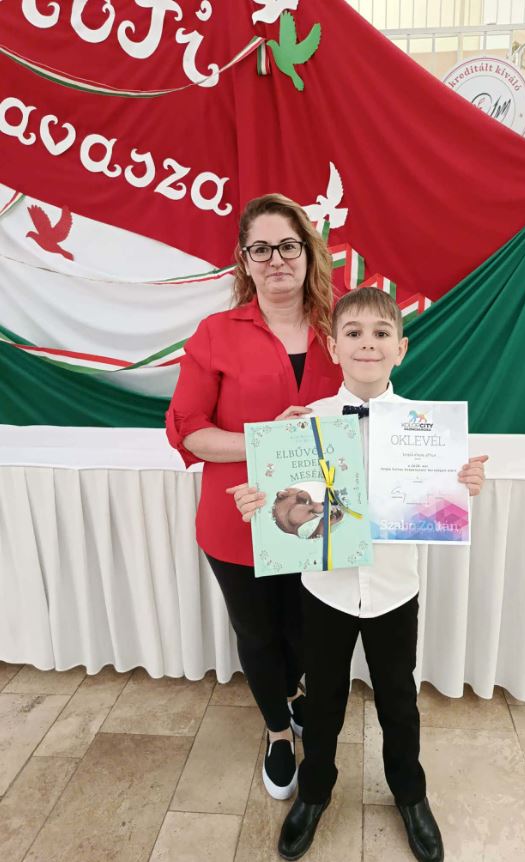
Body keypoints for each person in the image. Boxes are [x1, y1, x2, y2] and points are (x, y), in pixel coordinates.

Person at [231, 287, 487, 862]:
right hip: (326, 591)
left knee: (399, 698)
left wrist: (463, 486)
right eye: (353, 333)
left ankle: (410, 794)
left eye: (380, 333)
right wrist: (258, 500)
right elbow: (283, 501)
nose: (367, 343)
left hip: (395, 590)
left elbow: (439, 506)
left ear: (401, 348)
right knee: (323, 700)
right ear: (333, 346)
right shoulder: (303, 423)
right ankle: (315, 792)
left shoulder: (430, 428)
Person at [165, 193, 342, 801]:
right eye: (260, 249)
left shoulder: (339, 326)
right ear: (244, 260)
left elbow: (370, 403)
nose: (275, 260)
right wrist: (267, 441)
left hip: (320, 517)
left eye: (287, 245)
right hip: (236, 519)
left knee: (306, 630)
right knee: (259, 633)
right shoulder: (216, 334)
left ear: (308, 251)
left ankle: (295, 694)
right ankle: (277, 730)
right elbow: (188, 429)